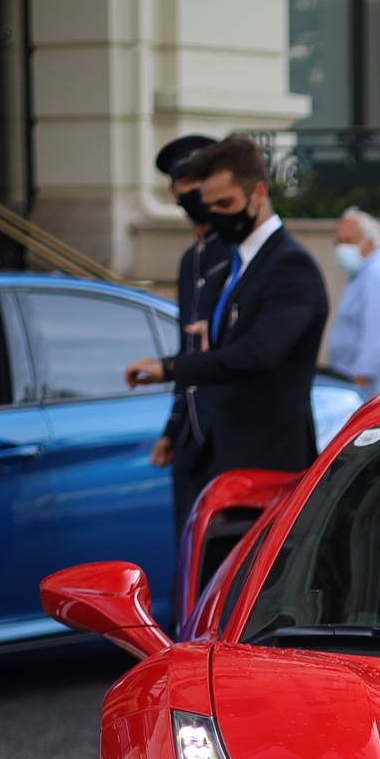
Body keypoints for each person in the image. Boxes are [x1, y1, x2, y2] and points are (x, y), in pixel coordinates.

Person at [124, 136, 330, 494]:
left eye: (226, 203)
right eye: (210, 206)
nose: (217, 216)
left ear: (259, 193)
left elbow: (258, 353)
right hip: (220, 455)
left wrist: (170, 368)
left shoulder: (289, 264)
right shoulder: (238, 262)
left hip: (265, 462)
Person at [146, 133, 226, 534]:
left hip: (225, 431)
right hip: (192, 436)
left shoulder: (233, 254)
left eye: (200, 180)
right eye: (184, 181)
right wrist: (172, 429)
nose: (191, 191)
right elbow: (186, 353)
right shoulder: (190, 262)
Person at [326, 206, 380, 396]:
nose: (343, 249)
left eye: (349, 241)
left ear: (369, 242)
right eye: (339, 242)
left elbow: (376, 339)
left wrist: (356, 383)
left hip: (373, 391)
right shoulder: (366, 274)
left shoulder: (377, 276)